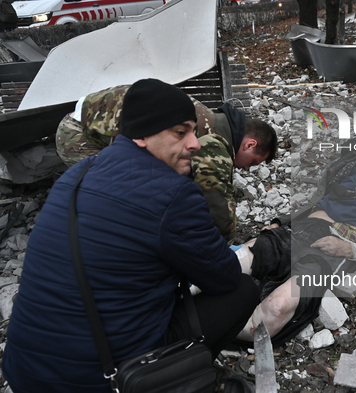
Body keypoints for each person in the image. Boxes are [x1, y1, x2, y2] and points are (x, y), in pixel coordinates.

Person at [2, 79, 259, 393]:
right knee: (243, 290)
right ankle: (179, 378)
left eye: (193, 130)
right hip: (102, 380)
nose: (194, 143)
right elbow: (225, 277)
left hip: (24, 371)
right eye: (181, 132)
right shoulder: (174, 195)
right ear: (141, 135)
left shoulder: (77, 173)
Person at [234, 128, 356, 343]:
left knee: (276, 308)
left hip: (333, 248)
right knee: (235, 260)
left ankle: (218, 339)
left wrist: (351, 250)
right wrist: (281, 222)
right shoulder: (350, 166)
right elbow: (314, 201)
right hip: (302, 228)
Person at [55, 85, 277, 244]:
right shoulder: (211, 137)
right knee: (118, 203)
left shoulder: (210, 121)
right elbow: (214, 197)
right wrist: (224, 245)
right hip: (80, 133)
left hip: (94, 123)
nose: (246, 169)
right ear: (249, 144)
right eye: (253, 163)